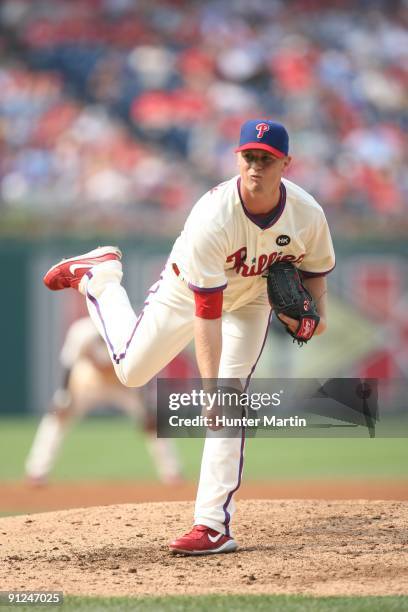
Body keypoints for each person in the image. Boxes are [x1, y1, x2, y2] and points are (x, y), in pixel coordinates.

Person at [43, 119, 335, 555]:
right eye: (249, 156)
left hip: (252, 302)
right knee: (132, 373)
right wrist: (210, 388)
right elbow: (207, 315)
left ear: (286, 163)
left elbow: (316, 287)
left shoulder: (308, 214)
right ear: (237, 158)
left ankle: (211, 525)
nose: (256, 166)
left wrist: (310, 323)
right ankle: (101, 276)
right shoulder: (214, 215)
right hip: (187, 292)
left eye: (266, 158)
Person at [25, 316, 184, 486]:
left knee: (153, 420)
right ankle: (37, 471)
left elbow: (145, 367)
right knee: (57, 416)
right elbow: (68, 364)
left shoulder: (130, 329)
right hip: (88, 379)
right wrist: (64, 397)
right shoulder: (82, 331)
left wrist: (147, 405)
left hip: (123, 384)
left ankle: (171, 473)